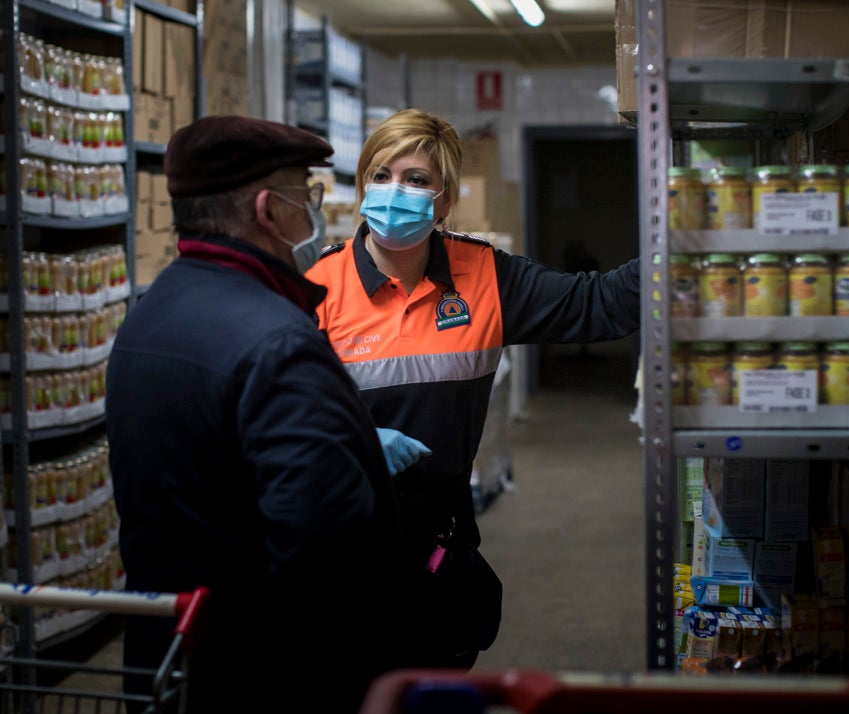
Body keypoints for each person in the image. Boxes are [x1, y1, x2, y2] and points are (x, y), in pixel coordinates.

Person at [106, 115, 427, 713]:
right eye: (302, 195)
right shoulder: (279, 339)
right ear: (266, 209)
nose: (311, 210)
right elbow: (324, 551)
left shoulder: (149, 314)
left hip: (170, 660)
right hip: (263, 673)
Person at [305, 108, 641, 668]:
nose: (395, 192)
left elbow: (598, 303)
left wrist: (682, 246)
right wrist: (353, 439)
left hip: (438, 549)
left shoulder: (483, 273)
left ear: (444, 199)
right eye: (381, 175)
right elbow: (270, 420)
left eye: (416, 181)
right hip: (337, 547)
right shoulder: (317, 284)